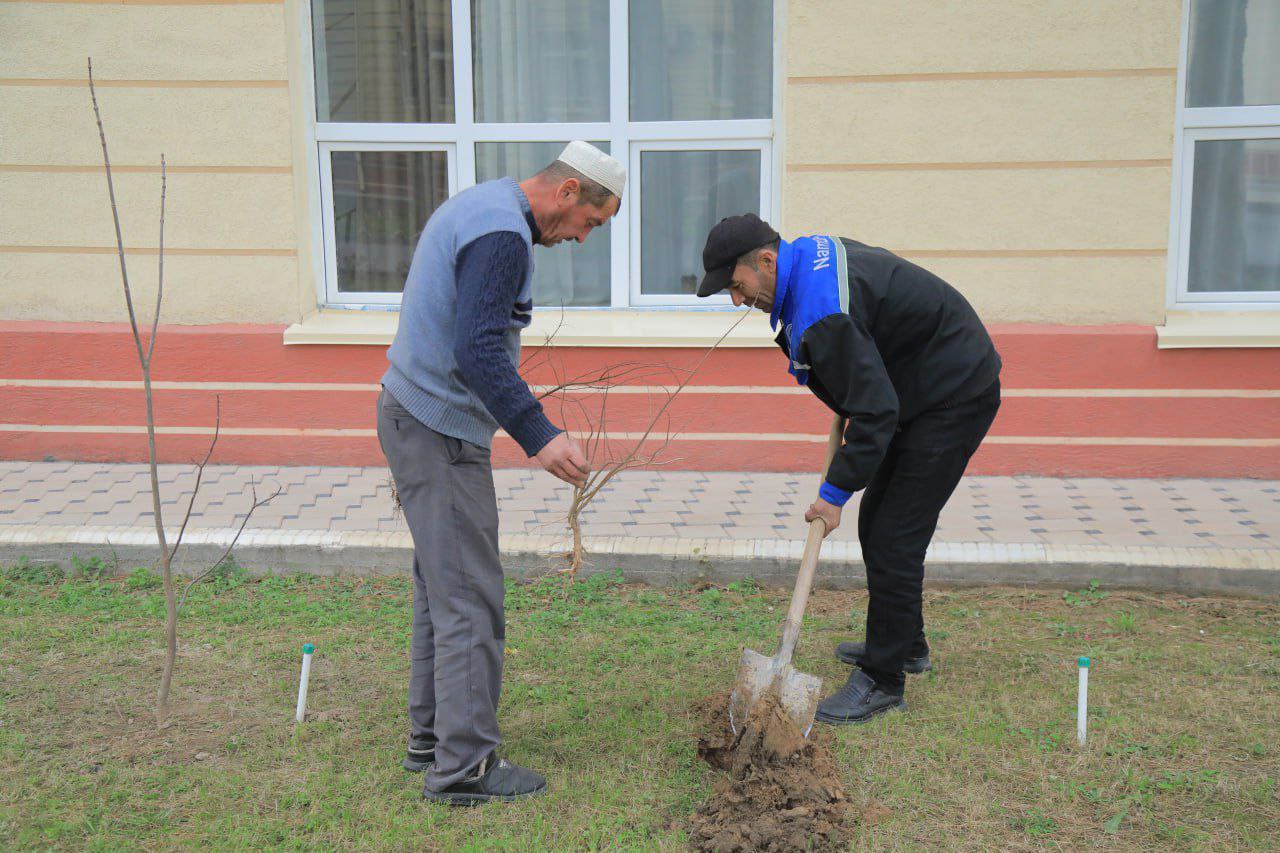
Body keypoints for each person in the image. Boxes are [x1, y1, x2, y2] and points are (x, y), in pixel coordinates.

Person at [377, 142, 625, 804]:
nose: (580, 238)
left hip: (412, 413)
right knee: (468, 597)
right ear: (568, 192)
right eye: (589, 224)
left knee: (443, 586)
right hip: (437, 429)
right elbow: (478, 346)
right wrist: (539, 435)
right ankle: (464, 771)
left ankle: (432, 739)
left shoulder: (485, 202)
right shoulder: (504, 235)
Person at [697, 214, 1002, 725]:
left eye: (736, 285)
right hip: (917, 385)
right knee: (881, 524)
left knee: (894, 532)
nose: (735, 300)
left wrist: (834, 493)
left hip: (952, 393)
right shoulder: (806, 262)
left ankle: (883, 680)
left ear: (767, 262)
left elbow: (875, 411)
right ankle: (905, 645)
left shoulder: (822, 311)